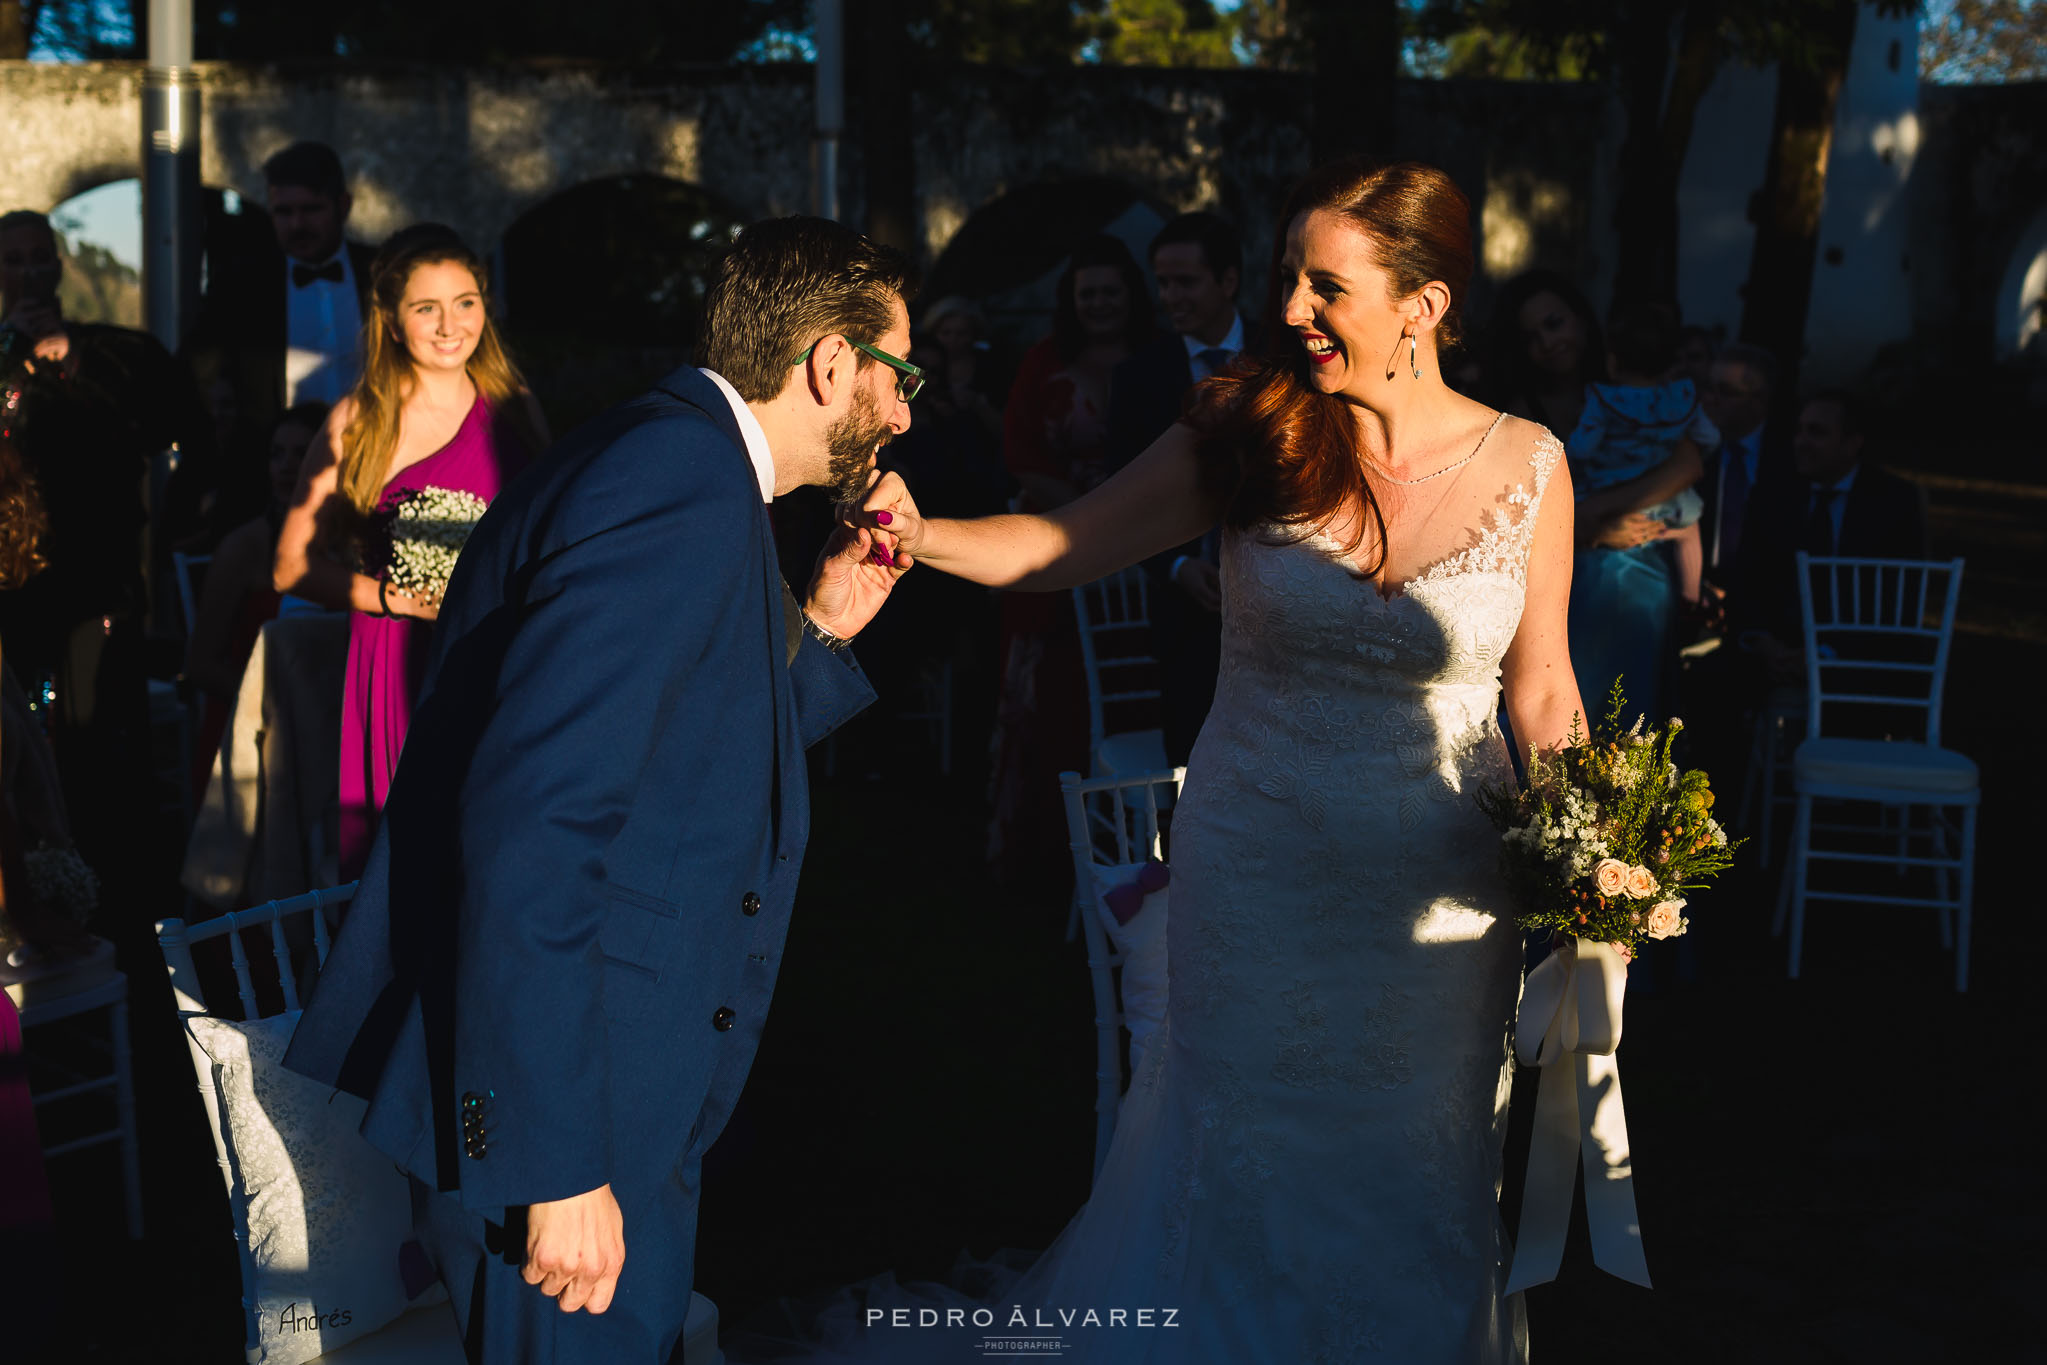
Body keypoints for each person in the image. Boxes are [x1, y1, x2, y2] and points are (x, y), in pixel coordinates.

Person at [855, 157, 1581, 1361]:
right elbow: (1062, 543)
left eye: (1324, 286)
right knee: (1245, 1146)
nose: (1292, 309)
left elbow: (1542, 686)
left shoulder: (1533, 466)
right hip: (1260, 874)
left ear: (1424, 304)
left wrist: (1593, 855)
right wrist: (920, 533)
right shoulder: (1250, 430)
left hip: (1447, 905)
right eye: (1290, 277)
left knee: (1419, 1160)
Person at [282, 214, 918, 1364]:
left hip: (616, 1071)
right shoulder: (675, 482)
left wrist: (816, 630)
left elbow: (677, 746)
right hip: (571, 1106)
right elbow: (535, 820)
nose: (908, 411)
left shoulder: (672, 461)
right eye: (899, 373)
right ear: (831, 363)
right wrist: (555, 1156)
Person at [272, 226, 547, 878]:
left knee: (492, 854)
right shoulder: (359, 419)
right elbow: (289, 565)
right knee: (401, 866)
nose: (450, 325)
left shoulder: (515, 410)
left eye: (465, 302)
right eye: (427, 308)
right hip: (396, 662)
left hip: (493, 655)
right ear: (392, 323)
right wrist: (392, 598)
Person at [0, 208, 215, 865]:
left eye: (42, 256)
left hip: (101, 584)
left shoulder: (119, 356)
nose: (32, 271)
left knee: (104, 750)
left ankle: (120, 893)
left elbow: (191, 436)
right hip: (13, 589)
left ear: (61, 264)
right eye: (15, 259)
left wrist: (176, 529)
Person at [990, 235, 1154, 885]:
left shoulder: (1156, 359)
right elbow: (1023, 454)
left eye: (1110, 291)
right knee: (1044, 704)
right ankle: (1040, 858)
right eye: (1087, 293)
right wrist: (1094, 519)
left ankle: (1131, 851)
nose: (1099, 304)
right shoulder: (1042, 362)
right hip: (1055, 551)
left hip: (1146, 550)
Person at [1106, 211, 1252, 767]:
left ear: (1228, 281)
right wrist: (1175, 568)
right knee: (1192, 764)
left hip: (1282, 594)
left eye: (1185, 281)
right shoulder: (1139, 376)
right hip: (1186, 613)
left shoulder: (1281, 361)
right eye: (1163, 282)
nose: (1171, 296)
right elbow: (1120, 497)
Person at [186, 142, 378, 452]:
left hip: (376, 457)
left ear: (343, 206)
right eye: (283, 212)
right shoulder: (239, 287)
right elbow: (199, 373)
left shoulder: (383, 274)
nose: (297, 225)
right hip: (273, 472)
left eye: (311, 210)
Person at [1729, 389, 1928, 674]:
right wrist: (1762, 640)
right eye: (1798, 431)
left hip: (1859, 654)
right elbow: (1747, 577)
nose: (1801, 442)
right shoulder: (1774, 494)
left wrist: (1827, 653)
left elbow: (1898, 597)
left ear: (1852, 443)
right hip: (1775, 645)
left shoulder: (1891, 502)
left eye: (1817, 433)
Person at [184, 401, 327, 795]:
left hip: (327, 724)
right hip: (251, 734)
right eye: (277, 454)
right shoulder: (244, 547)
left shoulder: (348, 546)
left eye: (302, 452)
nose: (286, 466)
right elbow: (200, 664)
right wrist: (274, 705)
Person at [1564, 300, 1716, 610]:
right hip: (1669, 501)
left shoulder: (1603, 399)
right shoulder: (1681, 397)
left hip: (1606, 492)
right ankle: (1692, 600)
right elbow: (1710, 437)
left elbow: (1582, 448)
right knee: (1689, 531)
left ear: (1612, 361)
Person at [1489, 267, 1605, 440]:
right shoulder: (1521, 415)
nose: (1547, 344)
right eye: (1530, 338)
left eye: (1554, 324)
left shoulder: (1634, 387)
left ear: (1581, 317)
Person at [1698, 342, 1778, 588]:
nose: (1711, 399)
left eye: (1726, 391)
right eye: (1709, 388)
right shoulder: (1695, 450)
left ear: (1760, 400)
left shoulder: (1789, 458)